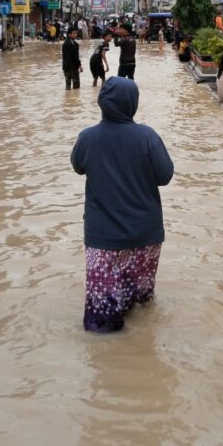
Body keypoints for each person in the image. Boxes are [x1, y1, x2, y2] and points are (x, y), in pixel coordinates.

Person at [71, 77, 174, 332]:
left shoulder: (87, 138)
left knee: (102, 323)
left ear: (102, 103)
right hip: (145, 236)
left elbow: (78, 166)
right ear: (133, 103)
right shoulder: (148, 136)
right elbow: (165, 175)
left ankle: (113, 365)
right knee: (140, 307)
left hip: (104, 239)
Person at [62, 25, 83, 90]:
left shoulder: (65, 43)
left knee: (68, 87)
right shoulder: (74, 44)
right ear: (69, 34)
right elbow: (75, 57)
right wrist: (80, 65)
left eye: (76, 33)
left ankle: (68, 99)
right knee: (76, 88)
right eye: (74, 33)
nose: (76, 34)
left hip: (65, 67)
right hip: (73, 68)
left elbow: (65, 56)